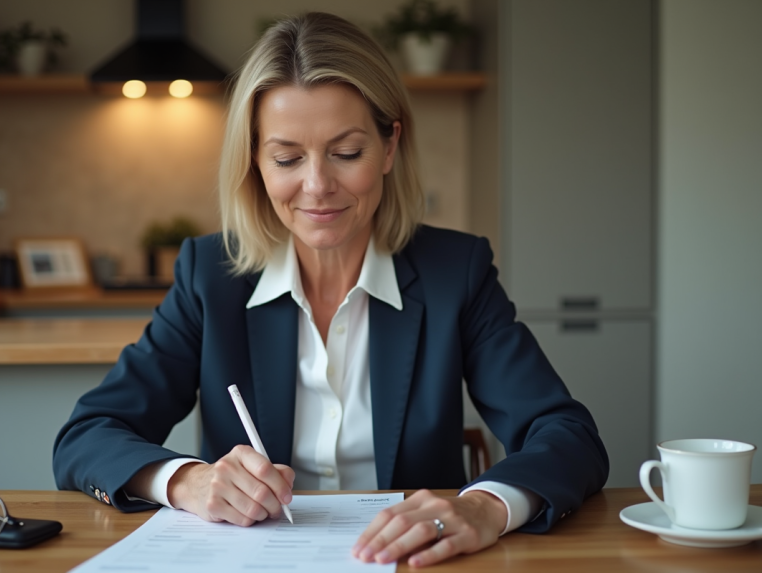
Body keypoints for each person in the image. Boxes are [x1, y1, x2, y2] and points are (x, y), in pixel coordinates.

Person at [53, 12, 608, 568]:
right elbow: (89, 435)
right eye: (287, 158)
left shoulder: (454, 271)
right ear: (255, 161)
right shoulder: (209, 276)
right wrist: (187, 482)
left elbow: (567, 435)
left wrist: (487, 507)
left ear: (390, 147)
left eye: (346, 153)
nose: (317, 186)